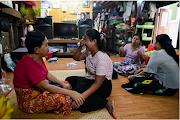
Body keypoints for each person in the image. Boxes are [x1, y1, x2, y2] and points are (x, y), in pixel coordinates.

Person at [13, 31, 84, 116]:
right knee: (63, 100)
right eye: (46, 45)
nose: (48, 47)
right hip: (30, 101)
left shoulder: (38, 58)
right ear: (36, 49)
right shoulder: (28, 64)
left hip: (40, 91)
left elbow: (47, 74)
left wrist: (62, 84)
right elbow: (45, 86)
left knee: (67, 84)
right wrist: (71, 93)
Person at [65, 29, 115, 116]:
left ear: (94, 41)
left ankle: (106, 103)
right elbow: (76, 57)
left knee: (80, 100)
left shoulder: (102, 58)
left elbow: (97, 83)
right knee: (69, 79)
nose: (84, 42)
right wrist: (80, 46)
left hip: (103, 85)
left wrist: (81, 97)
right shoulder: (89, 51)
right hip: (90, 80)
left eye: (86, 40)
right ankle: (80, 93)